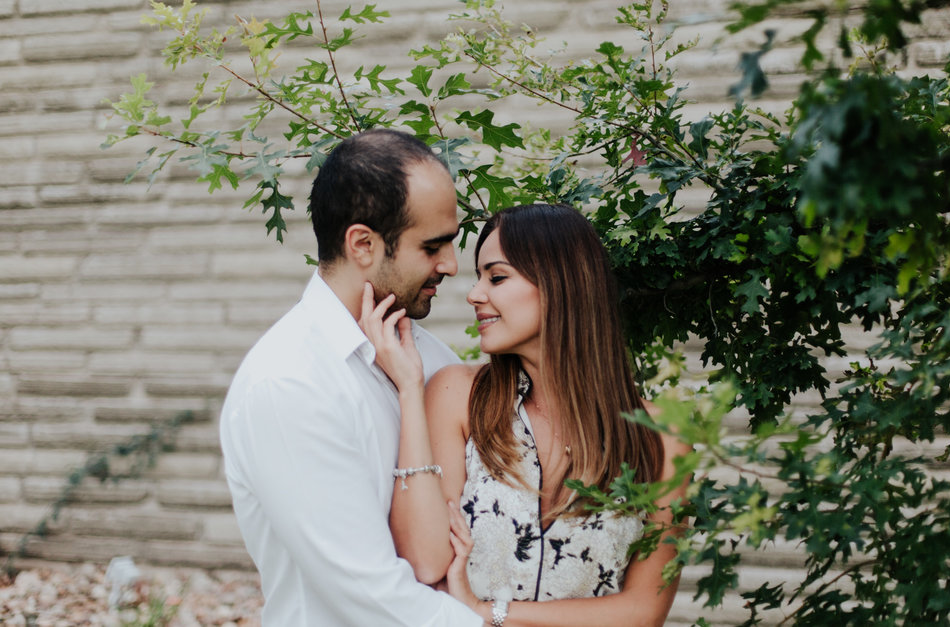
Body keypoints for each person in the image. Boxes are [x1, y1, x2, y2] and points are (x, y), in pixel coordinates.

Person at [361, 203, 690, 627]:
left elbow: (643, 612)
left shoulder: (663, 437)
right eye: (479, 278)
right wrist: (408, 387)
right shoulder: (457, 396)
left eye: (496, 277)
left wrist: (489, 614)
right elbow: (426, 562)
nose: (475, 294)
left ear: (561, 284)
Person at [218, 129, 483, 626]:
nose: (450, 265)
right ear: (363, 244)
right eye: (432, 246)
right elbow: (370, 594)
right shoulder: (288, 384)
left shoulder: (431, 357)